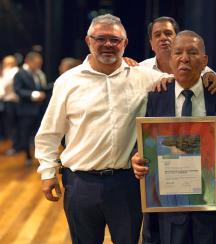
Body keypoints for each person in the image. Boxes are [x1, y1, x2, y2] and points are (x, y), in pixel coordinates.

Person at [34, 14, 172, 244]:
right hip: (80, 184)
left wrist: (210, 78)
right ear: (88, 41)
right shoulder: (67, 81)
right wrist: (47, 173)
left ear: (125, 44)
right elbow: (49, 133)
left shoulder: (144, 77)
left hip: (127, 184)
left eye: (115, 40)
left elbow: (184, 81)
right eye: (101, 38)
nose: (108, 44)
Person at [131, 30, 216, 244]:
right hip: (168, 204)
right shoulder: (156, 96)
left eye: (192, 52)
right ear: (171, 59)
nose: (184, 58)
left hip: (208, 202)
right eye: (178, 52)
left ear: (204, 61)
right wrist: (137, 158)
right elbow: (144, 140)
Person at [141, 16, 216, 91]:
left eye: (168, 34)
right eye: (157, 35)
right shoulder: (141, 70)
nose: (163, 38)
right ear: (151, 44)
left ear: (178, 39)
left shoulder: (202, 70)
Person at [13, 51, 47, 166]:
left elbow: (41, 87)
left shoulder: (37, 73)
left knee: (40, 134)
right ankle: (28, 156)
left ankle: (41, 157)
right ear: (28, 61)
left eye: (40, 64)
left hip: (38, 109)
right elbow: (18, 90)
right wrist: (34, 94)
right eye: (37, 63)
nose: (39, 66)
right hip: (25, 111)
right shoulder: (20, 74)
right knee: (26, 134)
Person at [0, 55, 19, 146]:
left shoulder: (11, 72)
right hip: (12, 101)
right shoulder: (14, 71)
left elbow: (3, 87)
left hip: (10, 101)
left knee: (11, 125)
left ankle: (14, 145)